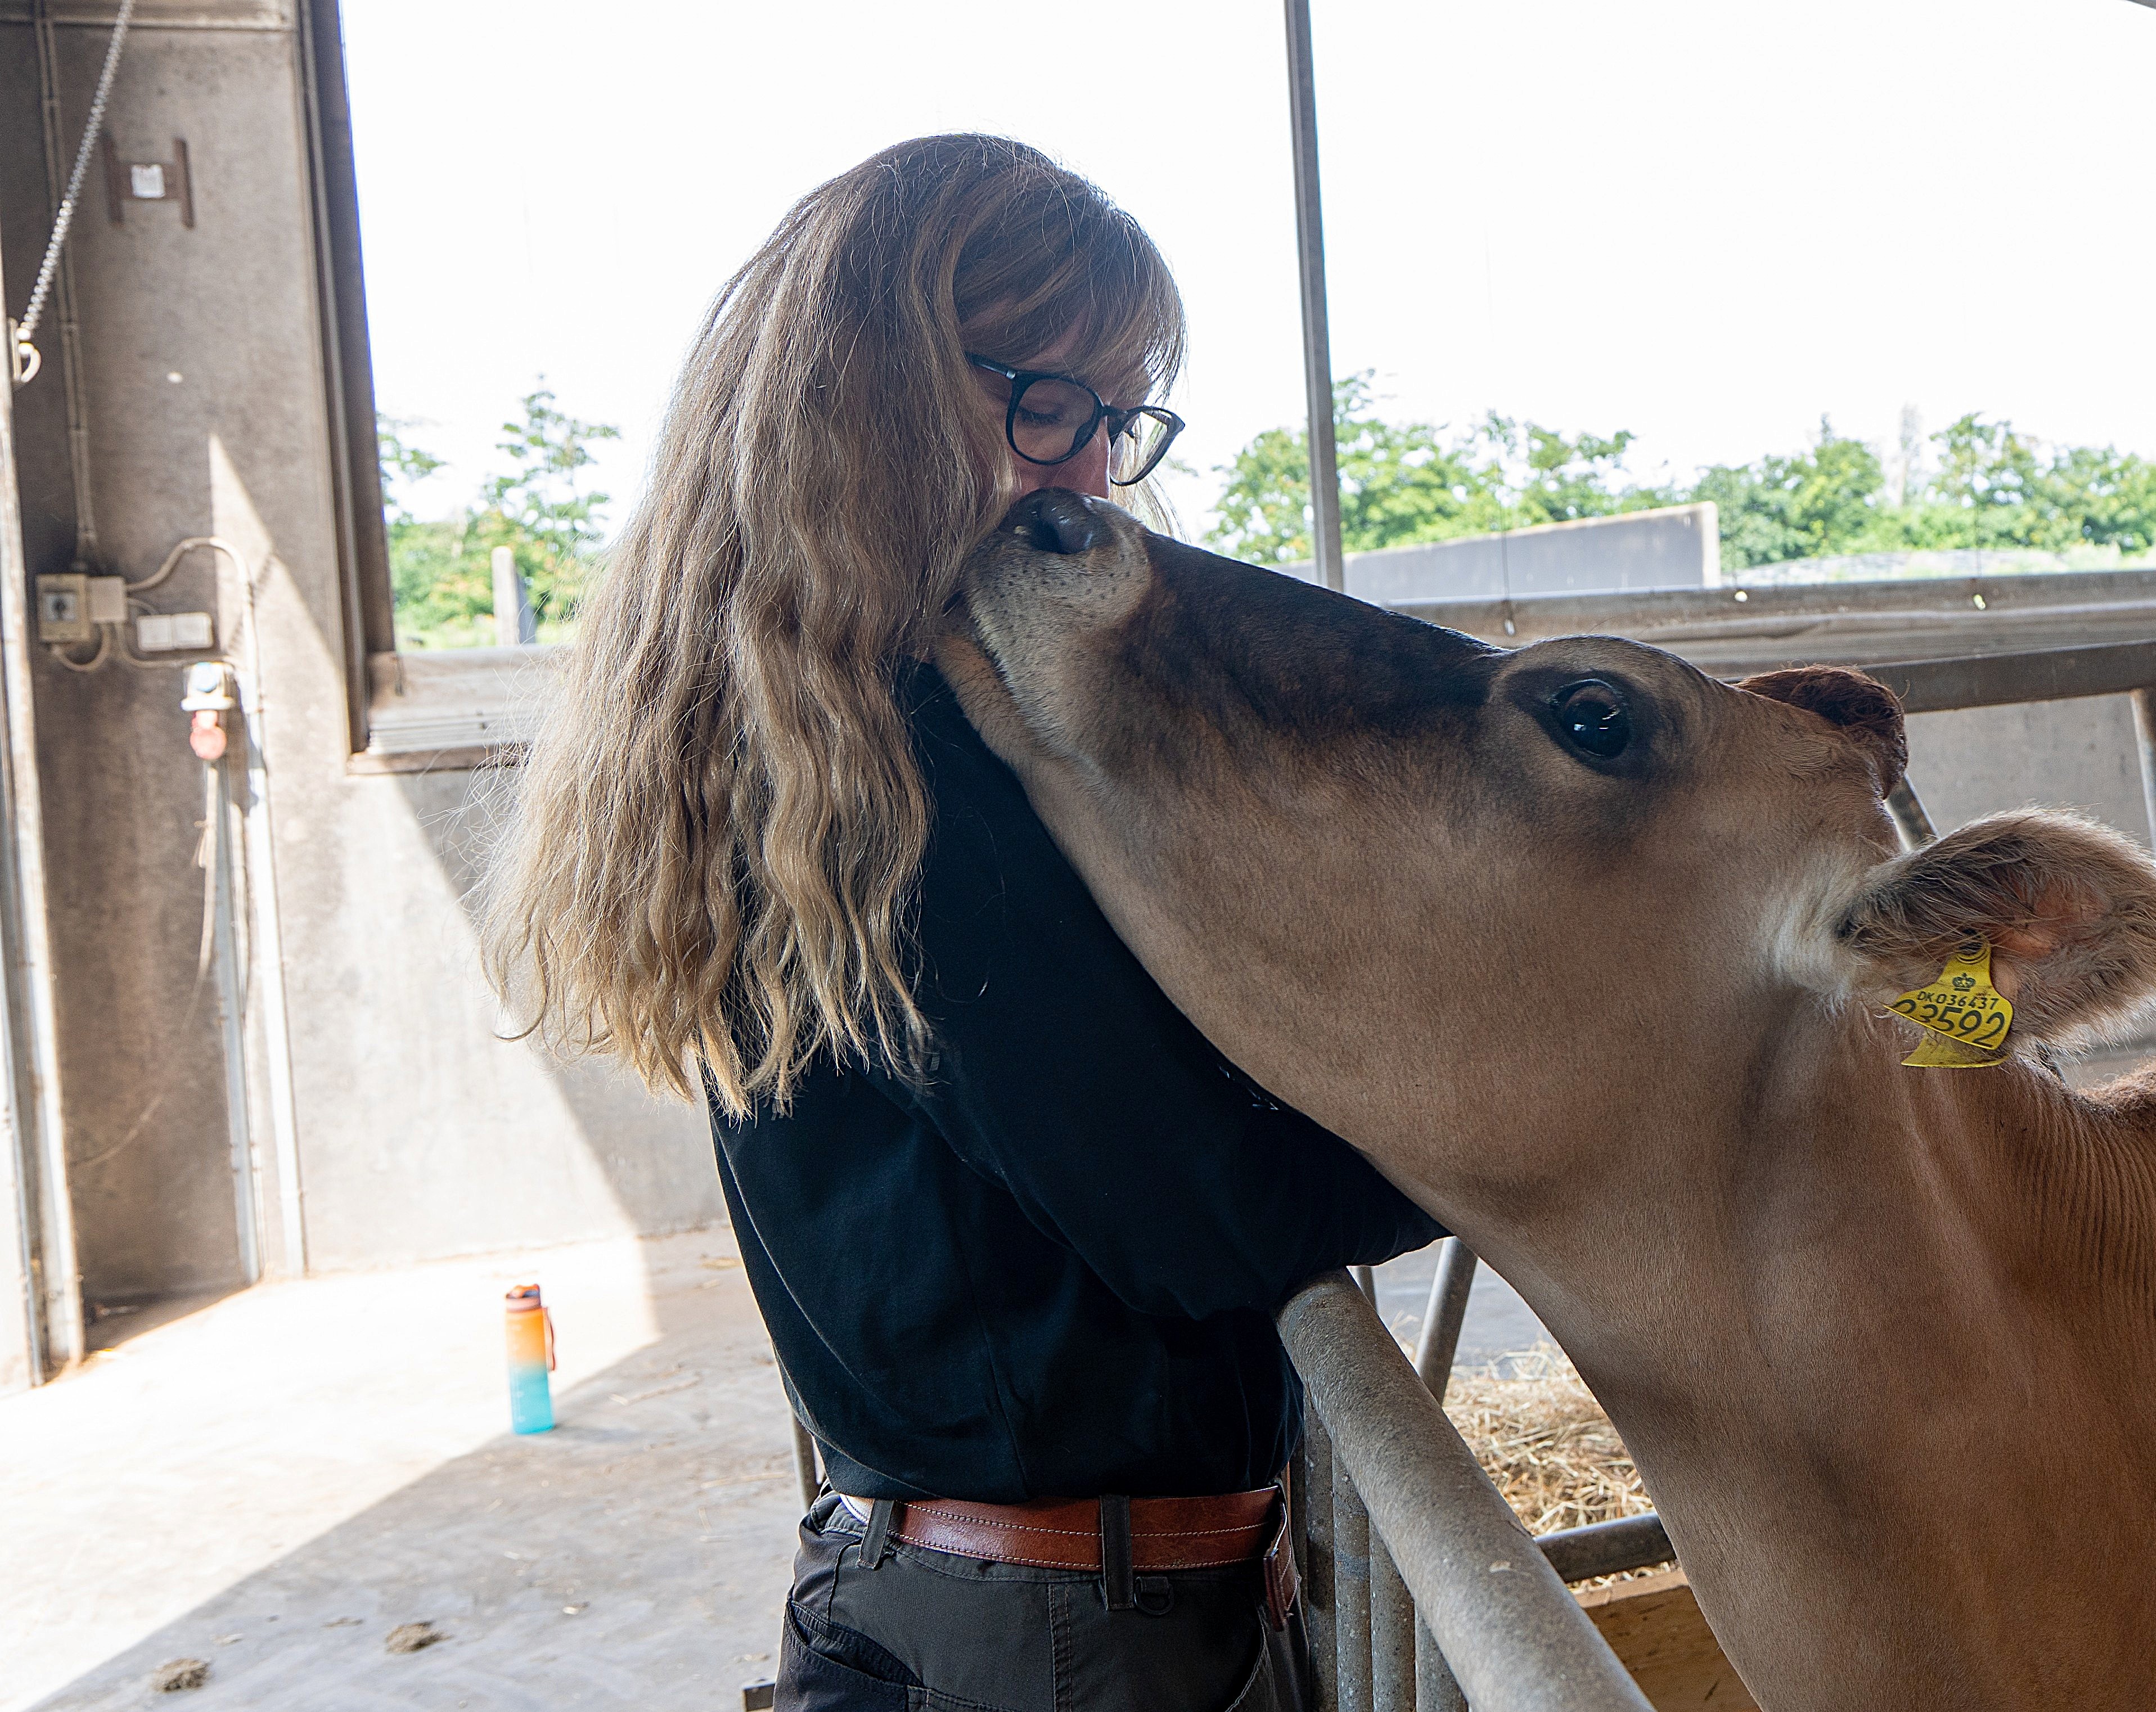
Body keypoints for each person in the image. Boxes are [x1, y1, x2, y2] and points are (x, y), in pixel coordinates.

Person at [484, 133, 1443, 1712]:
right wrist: (1555, 1119)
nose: (1083, 470)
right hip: (1059, 1635)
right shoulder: (899, 761)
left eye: (1115, 415)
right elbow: (1200, 1217)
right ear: (868, 394)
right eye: (1045, 401)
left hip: (1003, 1595)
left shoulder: (808, 726)